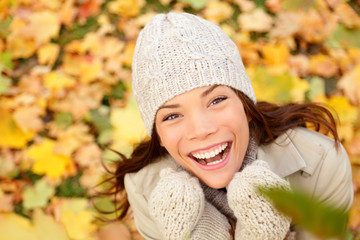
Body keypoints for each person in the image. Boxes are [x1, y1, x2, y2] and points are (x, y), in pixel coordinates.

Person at [106, 12, 353, 240]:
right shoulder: (144, 188)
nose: (201, 130)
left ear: (245, 106)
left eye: (216, 100)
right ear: (158, 135)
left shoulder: (321, 166)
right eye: (172, 116)